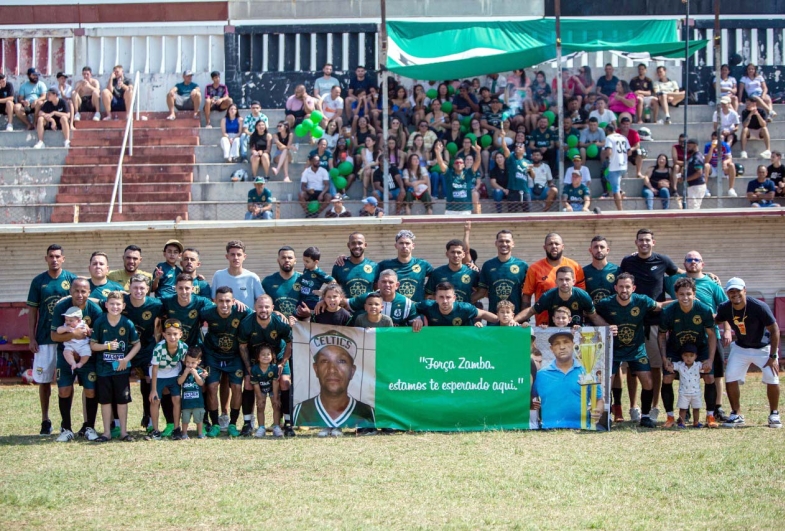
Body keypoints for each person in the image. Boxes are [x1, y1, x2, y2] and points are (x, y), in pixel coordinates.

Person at [619, 228, 682, 422]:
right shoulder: (627, 262)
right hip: (632, 322)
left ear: (653, 242)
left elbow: (680, 272)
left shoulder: (663, 261)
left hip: (655, 322)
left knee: (655, 366)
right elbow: (621, 284)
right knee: (632, 367)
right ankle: (633, 407)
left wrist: (706, 274)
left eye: (647, 240)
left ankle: (654, 407)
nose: (644, 243)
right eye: (641, 240)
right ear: (636, 242)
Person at [596, 272, 668, 427]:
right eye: (621, 286)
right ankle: (606, 415)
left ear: (633, 288)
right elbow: (591, 314)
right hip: (613, 349)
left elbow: (660, 305)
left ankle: (646, 416)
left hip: (636, 349)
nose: (624, 290)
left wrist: (682, 301)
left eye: (627, 287)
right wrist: (605, 326)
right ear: (615, 287)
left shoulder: (642, 300)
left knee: (648, 381)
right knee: (606, 382)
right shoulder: (605, 303)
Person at [715, 277, 781, 428]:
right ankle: (736, 414)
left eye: (738, 290)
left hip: (763, 347)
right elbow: (716, 320)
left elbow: (774, 329)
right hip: (741, 347)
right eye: (731, 291)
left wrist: (773, 356)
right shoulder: (725, 308)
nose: (735, 294)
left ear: (744, 290)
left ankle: (774, 414)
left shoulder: (758, 306)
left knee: (773, 378)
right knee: (730, 376)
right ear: (727, 293)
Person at [27, 244, 78, 436]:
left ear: (63, 258)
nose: (54, 259)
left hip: (67, 339)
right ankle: (45, 419)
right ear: (46, 258)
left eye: (57, 256)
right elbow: (32, 311)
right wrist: (31, 337)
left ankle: (67, 421)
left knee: (66, 381)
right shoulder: (39, 281)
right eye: (51, 256)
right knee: (44, 381)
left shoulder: (72, 279)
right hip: (44, 339)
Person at [658, 277, 718, 428]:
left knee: (709, 376)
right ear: (676, 295)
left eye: (688, 294)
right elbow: (661, 335)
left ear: (694, 294)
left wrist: (710, 359)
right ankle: (670, 417)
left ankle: (710, 416)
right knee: (667, 377)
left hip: (699, 348)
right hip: (676, 348)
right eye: (681, 294)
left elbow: (711, 334)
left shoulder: (704, 310)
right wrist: (664, 358)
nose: (685, 297)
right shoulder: (668, 312)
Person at [50, 278, 104, 442]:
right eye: (76, 291)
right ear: (70, 291)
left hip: (87, 355)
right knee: (64, 390)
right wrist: (73, 334)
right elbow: (54, 335)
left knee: (91, 391)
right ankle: (66, 428)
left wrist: (88, 334)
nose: (79, 294)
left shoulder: (94, 310)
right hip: (66, 353)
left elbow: (99, 334)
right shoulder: (62, 307)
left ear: (89, 292)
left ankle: (89, 426)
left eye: (83, 291)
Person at [293, 330, 375, 436]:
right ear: (316, 369)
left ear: (352, 371)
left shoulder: (368, 413)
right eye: (325, 361)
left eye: (341, 361)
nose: (332, 369)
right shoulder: (300, 412)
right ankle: (326, 427)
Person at [238, 295, 295, 437]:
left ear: (272, 308)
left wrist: (283, 362)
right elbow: (243, 346)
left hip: (278, 357)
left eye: (267, 307)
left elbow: (290, 343)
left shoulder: (280, 322)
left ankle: (287, 423)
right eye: (260, 307)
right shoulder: (247, 323)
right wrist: (249, 367)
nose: (263, 310)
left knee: (285, 383)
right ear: (255, 308)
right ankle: (247, 423)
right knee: (248, 383)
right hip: (255, 358)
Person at [200, 286, 253, 438]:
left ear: (233, 301)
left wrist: (275, 313)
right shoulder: (207, 312)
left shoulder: (242, 311)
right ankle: (215, 424)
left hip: (234, 356)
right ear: (215, 301)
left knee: (237, 387)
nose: (224, 304)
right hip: (213, 355)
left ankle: (233, 424)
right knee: (211, 386)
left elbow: (260, 315)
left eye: (228, 301)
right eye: (221, 301)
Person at [88, 291, 140, 443]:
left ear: (123, 306)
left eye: (118, 304)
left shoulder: (127, 323)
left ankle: (123, 432)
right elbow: (93, 345)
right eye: (112, 304)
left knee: (122, 401)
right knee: (105, 401)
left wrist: (126, 359)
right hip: (103, 370)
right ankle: (106, 432)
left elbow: (137, 344)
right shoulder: (100, 322)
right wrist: (107, 346)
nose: (115, 307)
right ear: (106, 305)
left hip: (120, 370)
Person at [533, 330, 604, 429]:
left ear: (574, 345)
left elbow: (599, 399)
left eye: (566, 342)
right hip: (550, 429)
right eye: (557, 344)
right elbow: (527, 398)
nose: (562, 347)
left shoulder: (587, 373)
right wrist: (531, 404)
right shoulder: (541, 375)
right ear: (551, 349)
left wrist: (598, 411)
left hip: (581, 429)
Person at [122, 274, 164, 433]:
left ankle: (150, 417)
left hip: (147, 348)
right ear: (129, 288)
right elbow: (99, 302)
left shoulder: (156, 304)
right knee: (119, 380)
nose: (138, 291)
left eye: (142, 288)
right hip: (125, 349)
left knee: (149, 381)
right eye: (135, 287)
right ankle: (117, 423)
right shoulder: (122, 302)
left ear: (148, 289)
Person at [523, 233, 586, 326]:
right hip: (543, 325)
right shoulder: (534, 268)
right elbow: (526, 296)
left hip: (571, 325)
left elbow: (582, 297)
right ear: (544, 247)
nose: (554, 246)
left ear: (562, 246)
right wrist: (525, 320)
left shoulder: (575, 267)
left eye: (557, 244)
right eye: (550, 244)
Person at [515, 267, 604, 327]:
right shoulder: (548, 296)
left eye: (567, 279)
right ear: (556, 281)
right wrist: (513, 321)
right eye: (561, 280)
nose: (564, 282)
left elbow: (594, 317)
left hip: (577, 335)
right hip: (555, 335)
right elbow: (531, 311)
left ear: (573, 281)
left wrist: (609, 328)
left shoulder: (582, 295)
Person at [148, 318, 187, 440]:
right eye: (169, 334)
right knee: (155, 400)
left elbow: (187, 362)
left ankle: (176, 428)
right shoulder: (159, 348)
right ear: (164, 335)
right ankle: (155, 430)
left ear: (180, 334)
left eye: (175, 334)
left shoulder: (183, 347)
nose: (172, 337)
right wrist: (153, 390)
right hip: (159, 374)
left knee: (176, 399)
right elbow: (154, 369)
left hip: (174, 373)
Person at [376, 230, 433, 302]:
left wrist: (429, 293)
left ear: (413, 246)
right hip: (394, 308)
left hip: (417, 308)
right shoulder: (385, 265)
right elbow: (374, 282)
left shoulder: (422, 264)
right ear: (396, 245)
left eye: (407, 243)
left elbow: (435, 277)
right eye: (401, 243)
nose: (404, 246)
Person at [413, 282, 498, 329]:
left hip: (462, 345)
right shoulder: (428, 305)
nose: (445, 301)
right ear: (436, 298)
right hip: (438, 346)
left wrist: (504, 322)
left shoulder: (465, 308)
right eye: (441, 297)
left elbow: (483, 314)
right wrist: (417, 318)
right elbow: (410, 307)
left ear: (454, 298)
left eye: (448, 297)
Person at [211, 240, 264, 308]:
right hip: (224, 317)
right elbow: (213, 300)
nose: (236, 258)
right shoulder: (218, 275)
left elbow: (261, 301)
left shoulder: (252, 277)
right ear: (227, 256)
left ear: (244, 257)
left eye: (239, 255)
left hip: (247, 317)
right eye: (232, 254)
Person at [435, 142, 482, 216]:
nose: (459, 164)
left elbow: (477, 162)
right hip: (451, 210)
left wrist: (478, 152)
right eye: (456, 163)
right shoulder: (449, 174)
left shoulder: (468, 174)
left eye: (460, 163)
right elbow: (441, 164)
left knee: (467, 228)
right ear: (453, 165)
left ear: (464, 165)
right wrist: (438, 153)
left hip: (466, 210)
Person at [426, 239, 478, 303]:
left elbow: (483, 292)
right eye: (452, 252)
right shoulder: (437, 273)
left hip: (465, 312)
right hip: (443, 312)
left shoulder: (472, 272)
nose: (456, 255)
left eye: (459, 252)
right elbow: (428, 295)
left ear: (463, 255)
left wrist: (468, 301)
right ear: (447, 254)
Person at [250, 343, 282, 437]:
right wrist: (259, 398)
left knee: (276, 405)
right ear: (258, 357)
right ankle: (261, 427)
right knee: (260, 406)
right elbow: (255, 385)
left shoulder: (274, 368)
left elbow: (275, 383)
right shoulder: (255, 369)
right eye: (263, 355)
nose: (266, 356)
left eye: (268, 354)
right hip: (261, 389)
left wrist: (275, 397)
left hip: (272, 389)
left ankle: (276, 427)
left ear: (272, 356)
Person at [261, 246, 302, 318]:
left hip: (300, 326)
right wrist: (273, 312)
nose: (287, 260)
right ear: (278, 260)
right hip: (276, 326)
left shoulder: (303, 280)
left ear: (295, 260)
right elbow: (260, 305)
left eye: (290, 258)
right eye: (283, 257)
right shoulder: (268, 281)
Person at [672, 344, 705, 428]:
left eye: (691, 356)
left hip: (696, 392)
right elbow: (672, 366)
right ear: (682, 356)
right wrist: (668, 364)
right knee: (683, 409)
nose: (688, 358)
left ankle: (696, 422)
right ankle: (682, 422)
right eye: (685, 356)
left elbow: (706, 367)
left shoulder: (698, 365)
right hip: (684, 392)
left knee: (696, 408)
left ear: (695, 356)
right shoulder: (680, 365)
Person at [177, 347, 207, 439]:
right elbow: (179, 382)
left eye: (193, 363)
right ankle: (184, 433)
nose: (190, 365)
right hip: (186, 403)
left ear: (198, 362)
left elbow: (201, 383)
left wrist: (196, 374)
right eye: (188, 362)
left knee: (199, 419)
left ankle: (200, 433)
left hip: (198, 403)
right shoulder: (182, 371)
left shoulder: (199, 372)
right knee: (185, 419)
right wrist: (185, 374)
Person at [298, 246, 335, 311]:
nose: (304, 263)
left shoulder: (319, 273)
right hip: (302, 299)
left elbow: (333, 282)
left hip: (312, 302)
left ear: (316, 262)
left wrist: (324, 292)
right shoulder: (306, 269)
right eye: (304, 260)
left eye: (307, 261)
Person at [603, 123, 629, 211]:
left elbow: (609, 152)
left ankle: (620, 210)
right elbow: (629, 152)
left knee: (615, 190)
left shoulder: (609, 138)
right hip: (623, 165)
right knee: (607, 177)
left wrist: (606, 155)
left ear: (607, 131)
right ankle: (621, 192)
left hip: (614, 166)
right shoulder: (623, 137)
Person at [58, 307, 92, 372]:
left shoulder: (83, 325)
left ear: (79, 320)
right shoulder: (66, 326)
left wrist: (90, 332)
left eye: (71, 321)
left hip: (82, 345)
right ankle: (72, 363)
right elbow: (58, 330)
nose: (68, 322)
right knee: (66, 352)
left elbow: (88, 332)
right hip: (70, 345)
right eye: (66, 320)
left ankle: (81, 363)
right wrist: (65, 329)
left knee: (87, 352)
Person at [703, 132, 738, 196]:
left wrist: (725, 162)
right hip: (712, 168)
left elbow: (730, 159)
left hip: (722, 168)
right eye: (713, 139)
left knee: (731, 165)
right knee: (706, 166)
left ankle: (731, 189)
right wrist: (712, 148)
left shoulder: (725, 145)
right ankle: (704, 189)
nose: (715, 141)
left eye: (716, 139)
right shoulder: (708, 146)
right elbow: (706, 160)